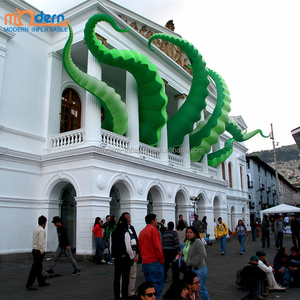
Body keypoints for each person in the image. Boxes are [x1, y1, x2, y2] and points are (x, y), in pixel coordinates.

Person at [110, 216, 138, 299]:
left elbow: (111, 246)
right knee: (125, 279)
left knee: (117, 278)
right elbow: (128, 247)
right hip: (125, 258)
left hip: (117, 258)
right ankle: (125, 296)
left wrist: (113, 257)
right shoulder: (126, 233)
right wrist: (132, 257)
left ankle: (117, 296)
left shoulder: (113, 232)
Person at [139, 213, 164, 300]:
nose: (157, 221)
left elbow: (140, 247)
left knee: (149, 285)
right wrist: (161, 259)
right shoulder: (154, 230)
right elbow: (158, 246)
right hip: (154, 261)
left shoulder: (142, 232)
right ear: (152, 221)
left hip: (145, 262)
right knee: (157, 284)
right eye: (156, 219)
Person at [182, 226, 209, 300]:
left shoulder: (197, 241)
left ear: (195, 234)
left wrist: (191, 262)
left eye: (191, 232)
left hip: (199, 268)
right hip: (191, 269)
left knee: (201, 289)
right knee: (193, 289)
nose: (188, 234)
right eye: (187, 232)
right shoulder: (188, 242)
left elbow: (203, 254)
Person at [26, 215, 49, 290]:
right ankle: (29, 284)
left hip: (35, 250)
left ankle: (41, 282)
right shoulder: (42, 230)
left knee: (39, 268)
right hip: (39, 251)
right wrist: (42, 251)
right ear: (45, 223)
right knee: (35, 269)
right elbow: (41, 242)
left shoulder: (36, 229)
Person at [121, 212, 139, 299]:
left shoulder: (131, 228)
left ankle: (131, 291)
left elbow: (135, 238)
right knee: (124, 275)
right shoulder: (122, 229)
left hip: (134, 253)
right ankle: (122, 292)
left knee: (133, 274)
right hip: (127, 255)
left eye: (129, 217)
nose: (129, 219)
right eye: (127, 218)